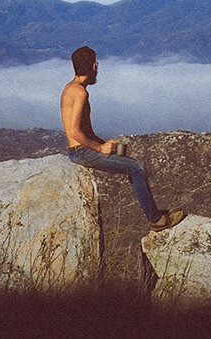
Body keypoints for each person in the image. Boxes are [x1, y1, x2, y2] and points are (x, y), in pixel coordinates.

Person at [61, 46, 184, 232]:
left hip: (79, 150)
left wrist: (103, 144)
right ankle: (156, 219)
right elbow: (75, 132)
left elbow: (83, 130)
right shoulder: (80, 93)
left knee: (129, 164)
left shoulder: (69, 88)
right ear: (94, 66)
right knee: (136, 169)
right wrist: (99, 149)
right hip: (82, 153)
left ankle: (156, 213)